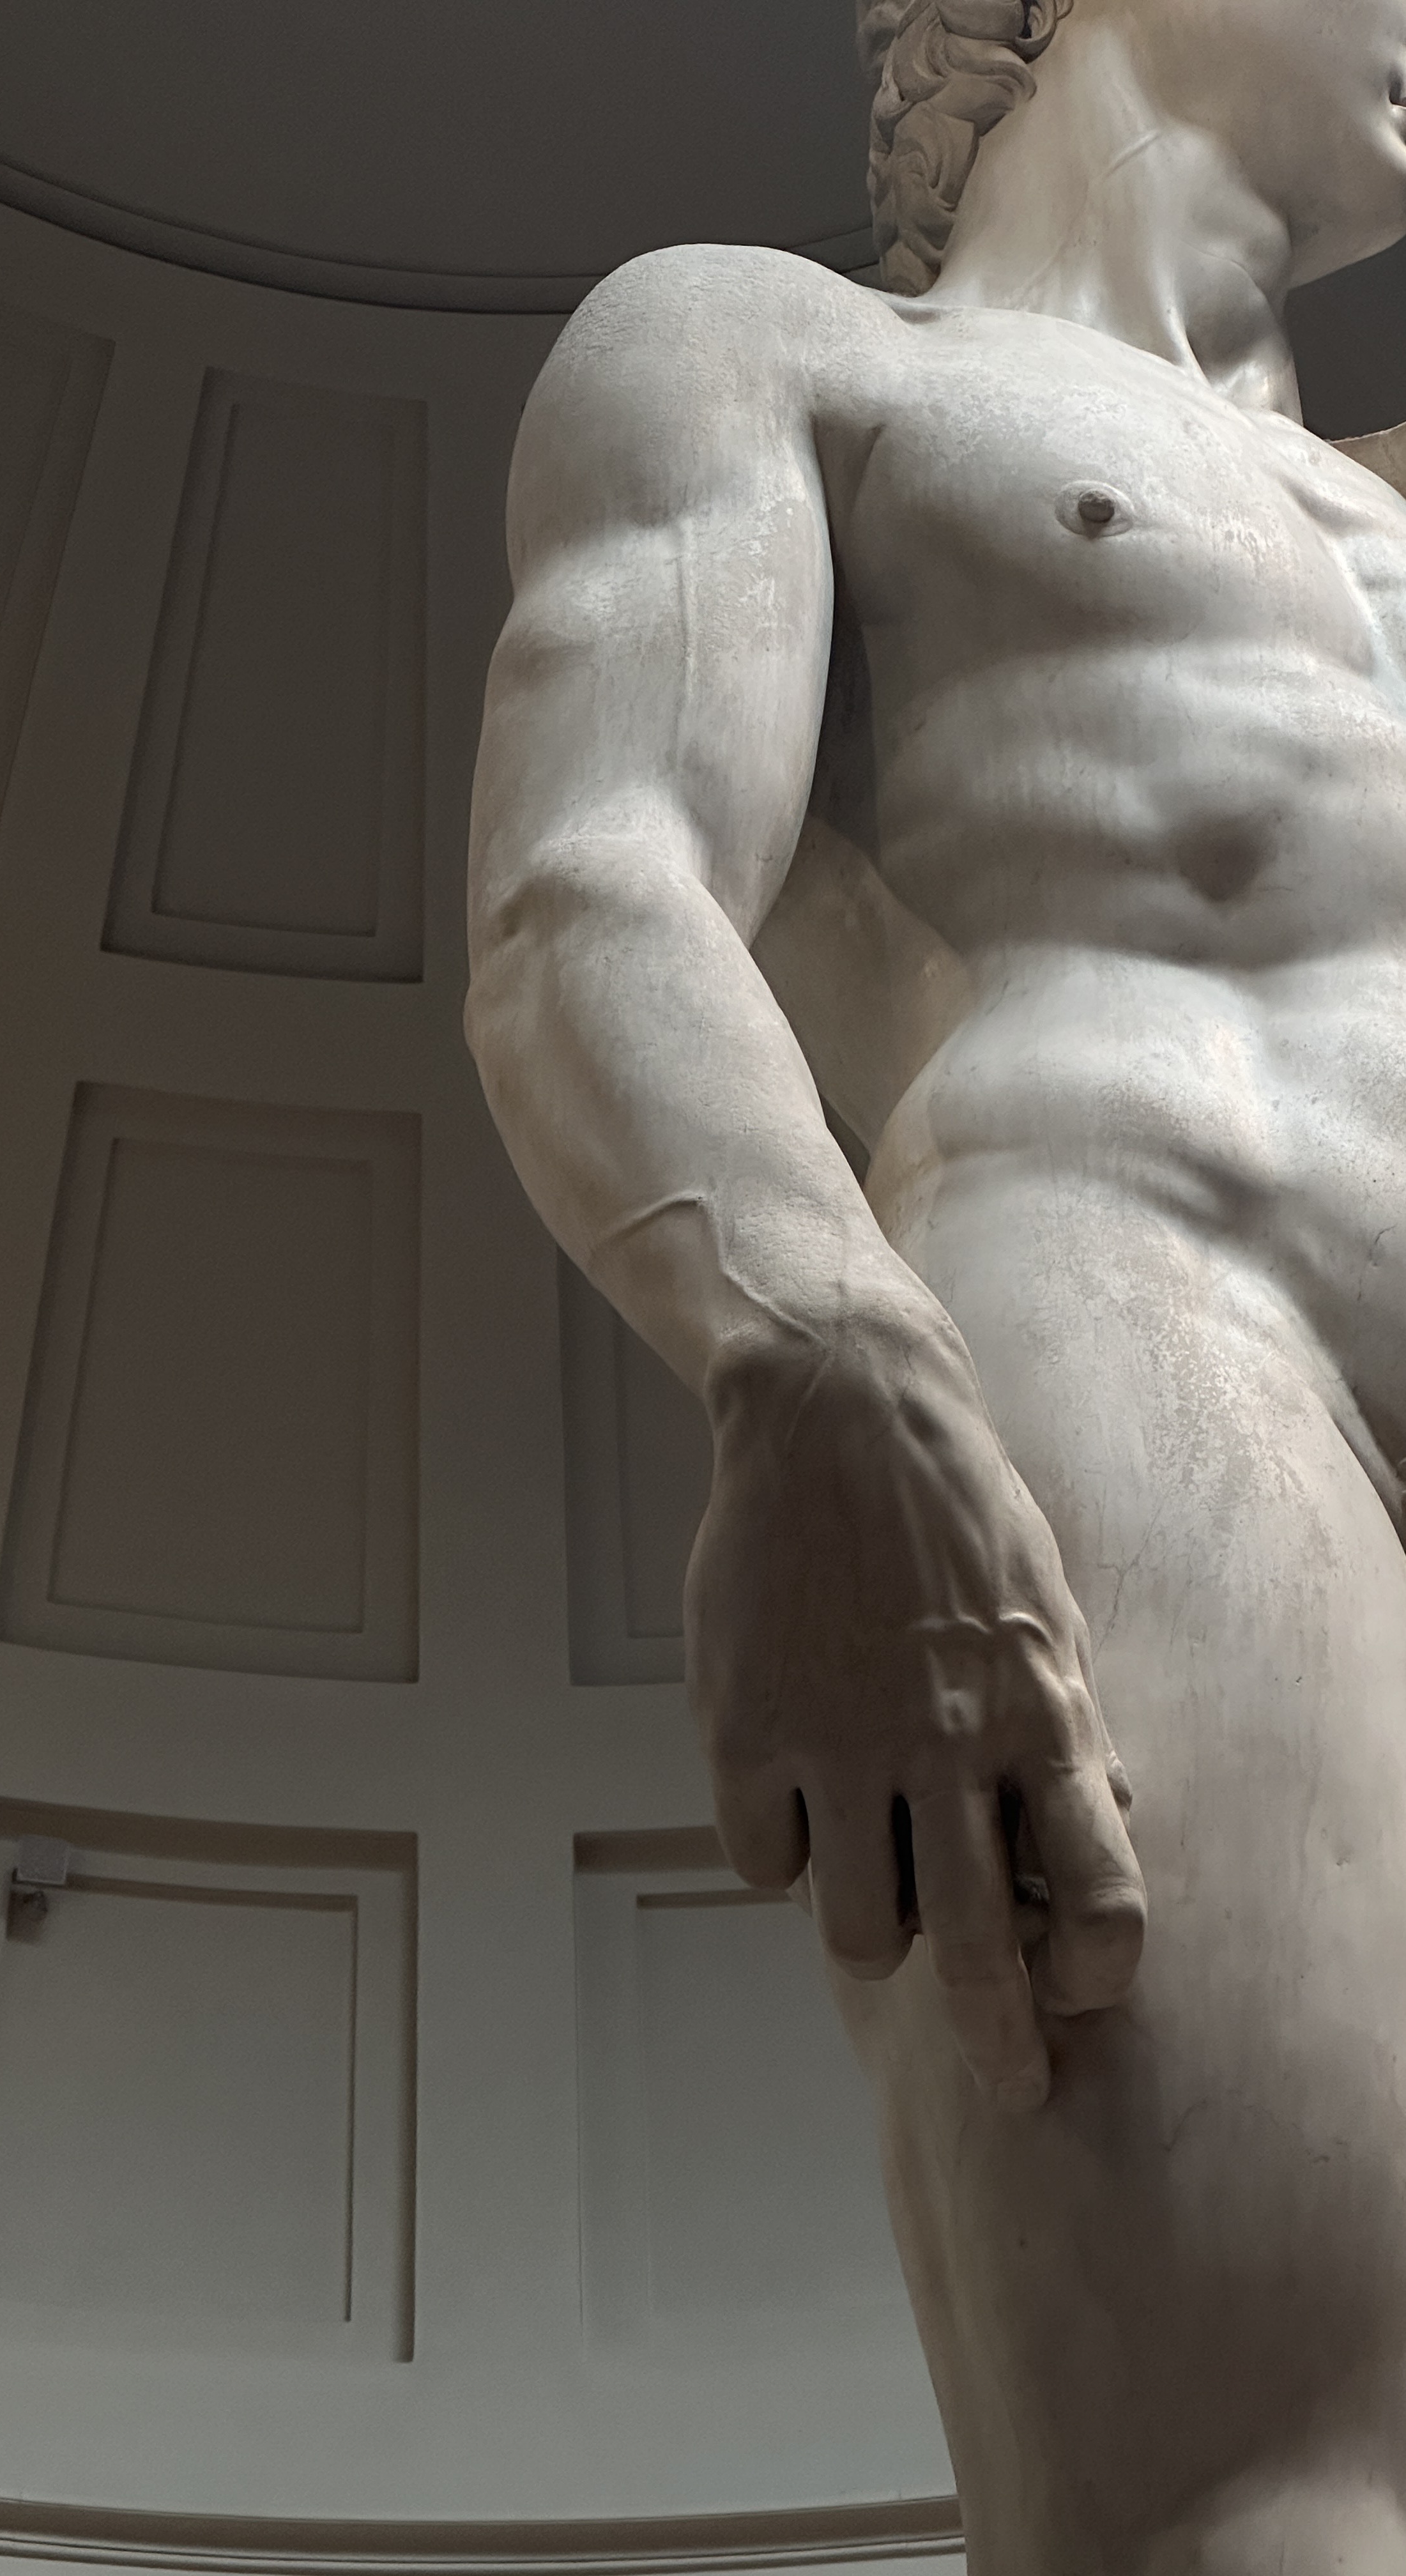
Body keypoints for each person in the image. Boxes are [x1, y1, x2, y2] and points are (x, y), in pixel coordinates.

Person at [465, 0, 1406, 2560]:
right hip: (1151, 1300)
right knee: (1289, 2503)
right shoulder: (779, 349)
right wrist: (818, 1349)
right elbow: (590, 884)